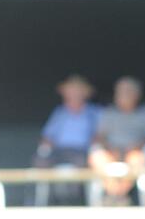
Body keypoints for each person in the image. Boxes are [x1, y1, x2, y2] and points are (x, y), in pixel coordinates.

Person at [88, 76, 145, 205]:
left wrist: (137, 145)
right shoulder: (109, 112)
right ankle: (116, 195)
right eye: (120, 91)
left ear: (137, 94)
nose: (123, 94)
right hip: (111, 151)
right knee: (97, 157)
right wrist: (110, 148)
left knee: (136, 159)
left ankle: (118, 195)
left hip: (135, 151)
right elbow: (99, 136)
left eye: (127, 91)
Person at [33, 74, 100, 205]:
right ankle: (44, 201)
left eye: (77, 90)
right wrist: (46, 143)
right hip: (59, 151)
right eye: (71, 90)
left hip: (82, 151)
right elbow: (47, 135)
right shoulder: (59, 112)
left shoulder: (94, 112)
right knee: (41, 160)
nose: (74, 94)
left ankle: (74, 201)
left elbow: (102, 133)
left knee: (81, 163)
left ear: (85, 93)